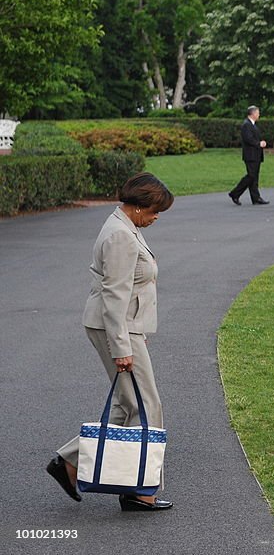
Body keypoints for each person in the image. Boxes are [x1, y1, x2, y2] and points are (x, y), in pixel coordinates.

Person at [47, 173, 175, 511]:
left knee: (125, 405)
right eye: (154, 210)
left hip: (123, 327)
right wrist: (122, 347)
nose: (157, 216)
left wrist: (134, 334)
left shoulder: (124, 227)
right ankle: (141, 490)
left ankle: (70, 462)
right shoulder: (121, 235)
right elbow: (115, 297)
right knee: (147, 407)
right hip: (115, 328)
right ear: (136, 207)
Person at [228, 105, 269, 205]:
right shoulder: (246, 125)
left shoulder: (253, 125)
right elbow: (248, 139)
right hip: (250, 155)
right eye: (258, 112)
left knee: (254, 177)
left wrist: (260, 143)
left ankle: (256, 198)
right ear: (253, 113)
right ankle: (235, 193)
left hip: (256, 155)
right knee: (251, 176)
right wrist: (258, 143)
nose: (259, 114)